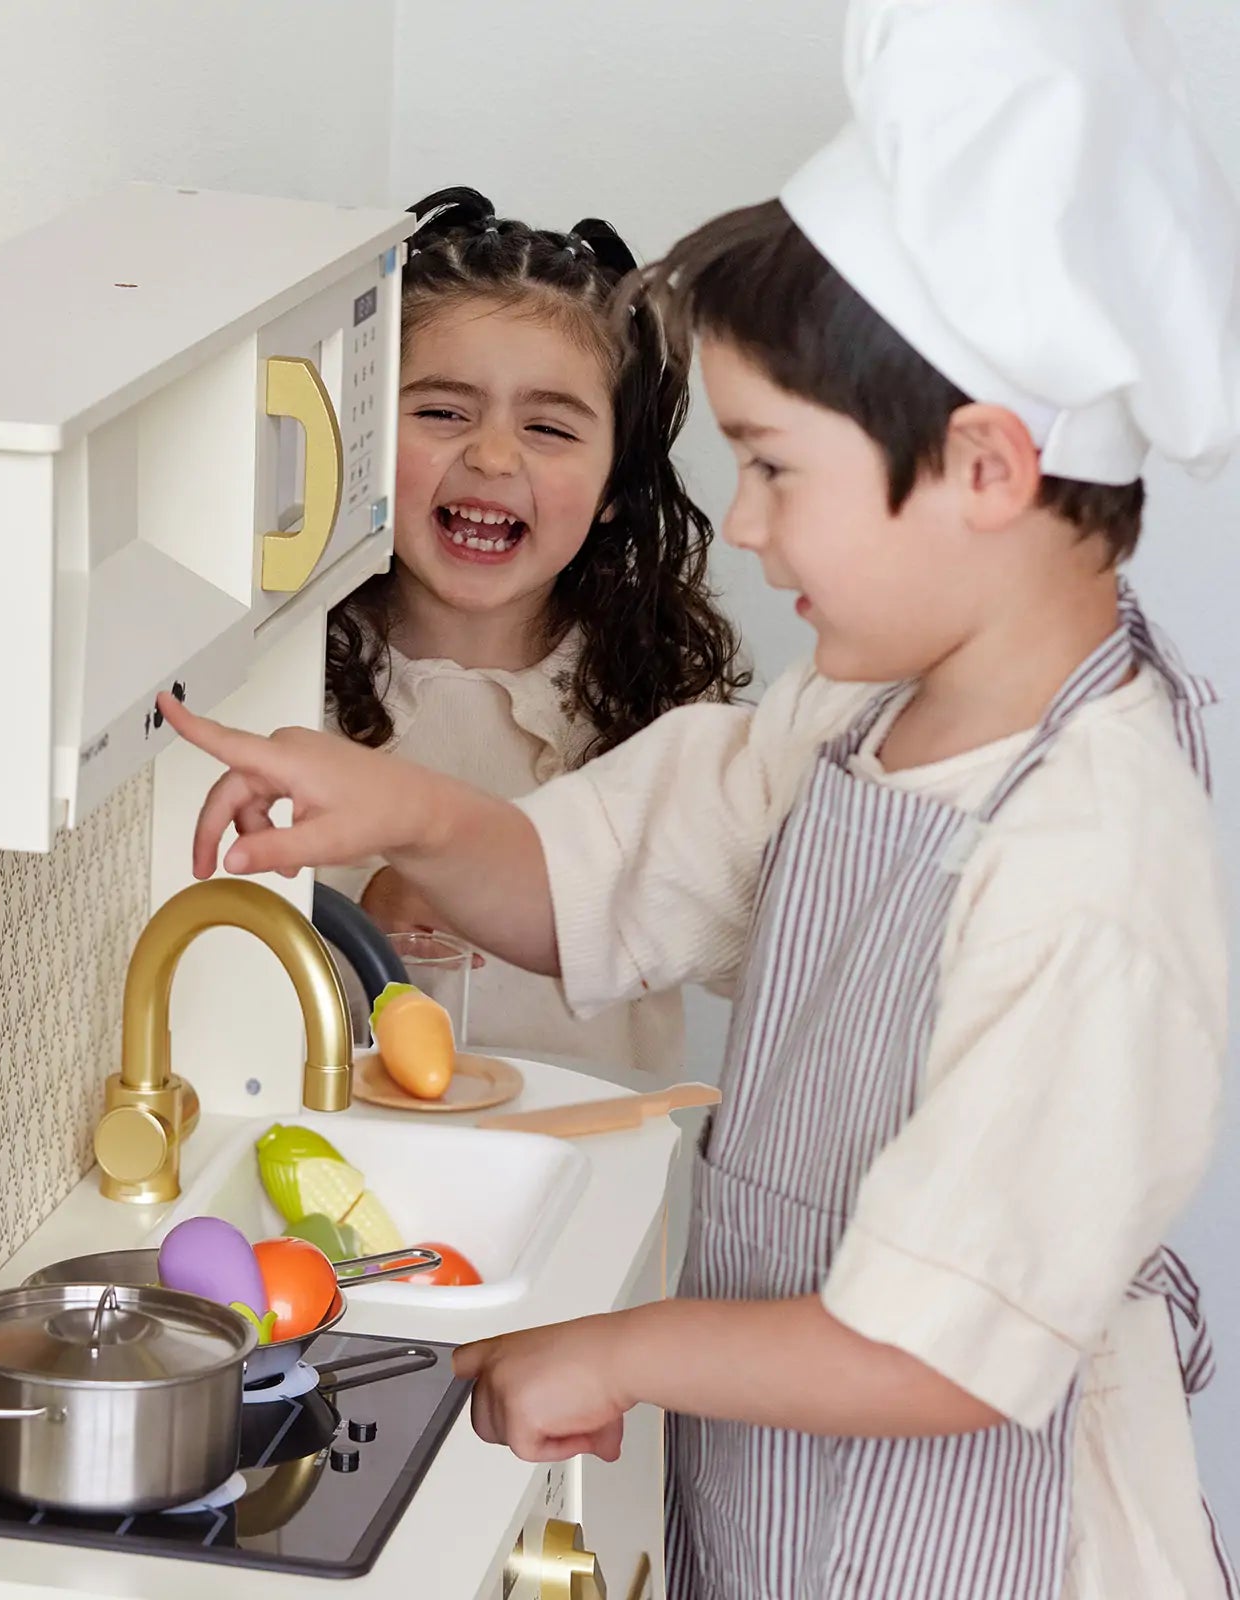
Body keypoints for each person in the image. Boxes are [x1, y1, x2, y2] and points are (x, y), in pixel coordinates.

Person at [157, 0, 1239, 1593]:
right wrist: (394, 806)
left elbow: (942, 1360)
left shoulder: (1092, 862)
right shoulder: (862, 719)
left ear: (989, 471)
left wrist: (616, 1351)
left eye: (777, 467)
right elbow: (591, 876)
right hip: (790, 1488)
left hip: (989, 1541)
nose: (742, 526)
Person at [320, 186, 746, 1081]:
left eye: (548, 427)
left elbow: (747, 942)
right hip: (350, 1170)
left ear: (616, 490)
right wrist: (363, 903)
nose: (494, 456)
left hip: (591, 1176)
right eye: (442, 412)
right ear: (362, 438)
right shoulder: (292, 681)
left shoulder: (658, 695)